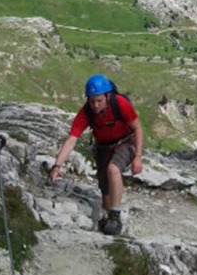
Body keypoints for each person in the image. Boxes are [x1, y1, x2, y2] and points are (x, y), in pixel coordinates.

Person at [49, 74, 143, 235]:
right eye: (92, 101)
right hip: (103, 148)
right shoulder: (87, 112)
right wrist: (57, 165)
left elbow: (137, 128)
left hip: (126, 142)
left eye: (99, 100)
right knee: (106, 195)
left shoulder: (120, 104)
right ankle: (109, 217)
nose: (95, 105)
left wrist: (138, 157)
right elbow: (72, 138)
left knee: (114, 169)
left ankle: (115, 217)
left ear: (108, 96)